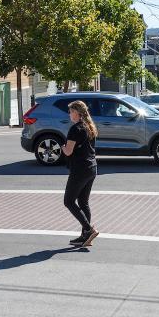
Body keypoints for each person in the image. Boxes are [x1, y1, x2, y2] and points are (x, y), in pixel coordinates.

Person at [61, 100, 99, 247]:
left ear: (77, 113)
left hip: (80, 170)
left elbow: (68, 151)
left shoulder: (75, 129)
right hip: (92, 167)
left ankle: (89, 230)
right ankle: (85, 237)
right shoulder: (90, 126)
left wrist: (62, 146)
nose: (69, 114)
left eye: (71, 111)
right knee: (83, 202)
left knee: (69, 201)